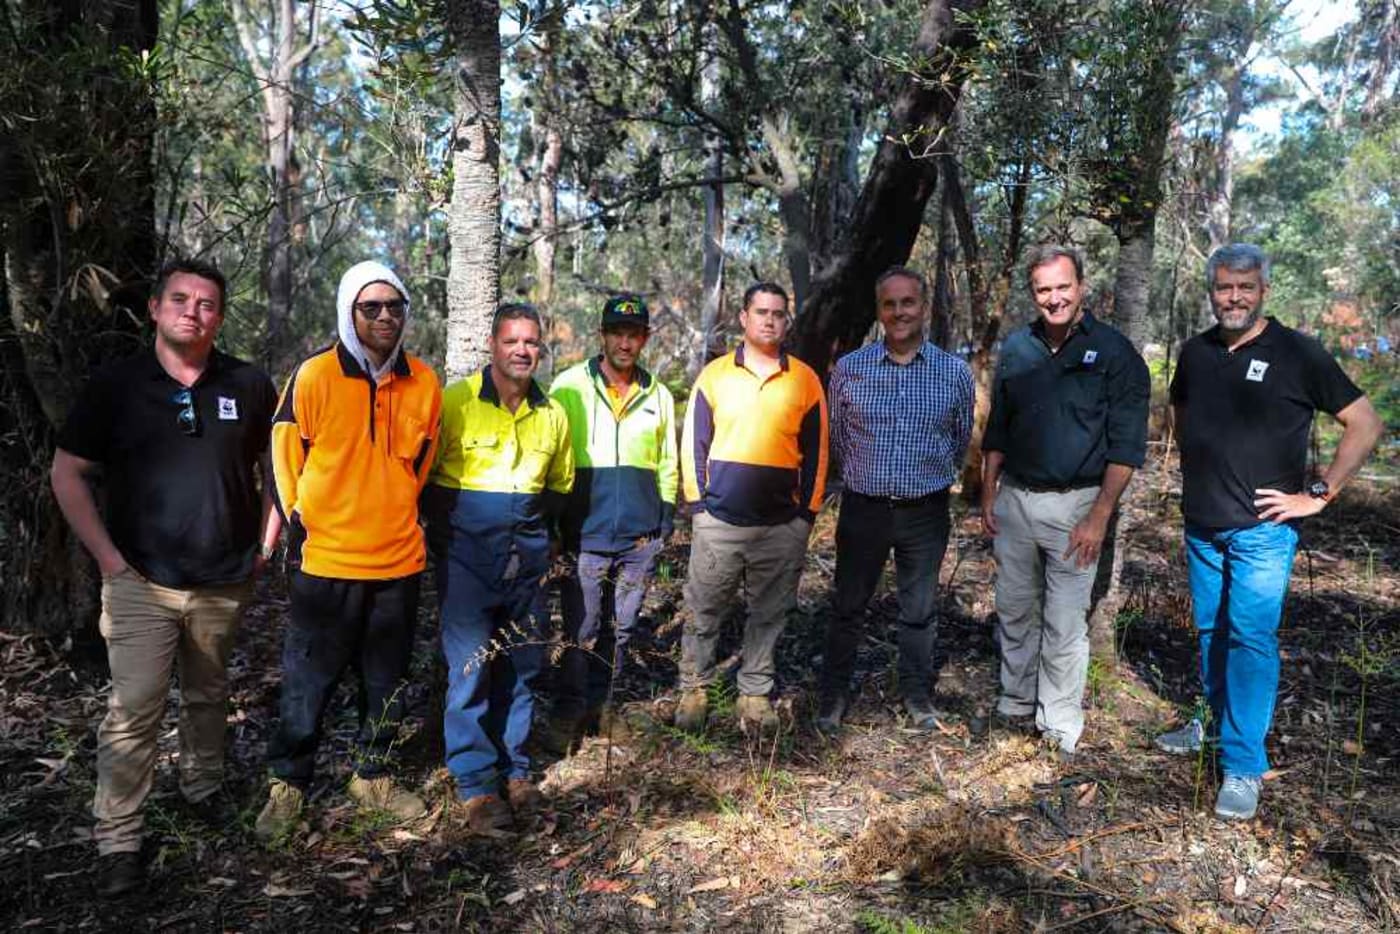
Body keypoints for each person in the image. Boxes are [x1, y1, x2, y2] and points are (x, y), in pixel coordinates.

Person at [51, 259, 280, 896]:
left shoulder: (250, 384)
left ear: (220, 317)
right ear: (154, 309)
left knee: (209, 696)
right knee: (133, 712)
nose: (192, 311)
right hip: (140, 581)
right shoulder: (117, 386)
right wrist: (109, 560)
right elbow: (67, 474)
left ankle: (202, 790)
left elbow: (278, 469)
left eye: (207, 304)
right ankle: (119, 836)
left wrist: (265, 544)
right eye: (179, 300)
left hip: (223, 578)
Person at [1157, 243, 1382, 820]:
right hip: (1203, 525)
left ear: (1263, 290)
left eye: (1245, 287)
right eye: (1224, 287)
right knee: (1210, 632)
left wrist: (1319, 495)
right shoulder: (1195, 352)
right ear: (1212, 291)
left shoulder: (1298, 352)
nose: (1234, 297)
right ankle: (1208, 726)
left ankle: (1243, 766)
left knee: (1251, 641)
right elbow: (1181, 415)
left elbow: (1364, 423)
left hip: (1263, 531)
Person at [256, 261, 442, 840]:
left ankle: (372, 776)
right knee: (307, 681)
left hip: (398, 562)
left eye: (395, 306)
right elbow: (285, 461)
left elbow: (422, 465)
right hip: (328, 563)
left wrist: (391, 514)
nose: (385, 316)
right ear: (348, 312)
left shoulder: (425, 383)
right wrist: (303, 525)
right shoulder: (312, 377)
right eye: (372, 307)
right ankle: (288, 785)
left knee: (385, 680)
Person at [980, 245, 1150, 758]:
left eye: (1062, 287)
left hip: (1077, 506)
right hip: (1016, 501)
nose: (1054, 299)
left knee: (1064, 622)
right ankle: (1014, 705)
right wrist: (989, 493)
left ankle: (1057, 725)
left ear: (1082, 288)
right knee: (1013, 611)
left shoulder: (1115, 354)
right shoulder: (1017, 350)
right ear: (1033, 295)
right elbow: (998, 430)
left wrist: (1099, 517)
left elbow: (1126, 448)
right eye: (1043, 290)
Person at [424, 303, 574, 833]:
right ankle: (476, 786)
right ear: (492, 344)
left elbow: (558, 488)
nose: (522, 350)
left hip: (527, 562)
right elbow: (426, 479)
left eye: (531, 342)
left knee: (523, 666)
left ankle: (517, 773)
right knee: (469, 672)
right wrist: (450, 544)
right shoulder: (455, 402)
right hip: (467, 561)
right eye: (512, 340)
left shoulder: (552, 414)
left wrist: (538, 546)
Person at [817, 266, 974, 734]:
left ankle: (917, 697)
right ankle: (834, 696)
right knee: (847, 605)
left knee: (919, 610)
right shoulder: (850, 369)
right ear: (879, 311)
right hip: (864, 508)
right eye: (890, 304)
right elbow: (839, 440)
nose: (899, 312)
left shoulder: (954, 372)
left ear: (923, 307)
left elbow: (960, 437)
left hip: (925, 511)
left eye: (908, 302)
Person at [676, 282, 828, 735]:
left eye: (778, 313)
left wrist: (806, 515)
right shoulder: (715, 375)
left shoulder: (804, 379)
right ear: (743, 317)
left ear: (786, 321)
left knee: (769, 614)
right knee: (704, 609)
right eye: (760, 312)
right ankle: (694, 688)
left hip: (781, 525)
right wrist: (699, 507)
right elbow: (693, 443)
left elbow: (818, 451)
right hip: (719, 521)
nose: (768, 320)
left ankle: (754, 693)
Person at [546, 295, 679, 748]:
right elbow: (552, 455)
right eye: (617, 333)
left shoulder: (658, 394)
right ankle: (568, 711)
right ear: (602, 335)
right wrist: (555, 526)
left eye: (634, 334)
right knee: (582, 625)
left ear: (645, 338)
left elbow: (667, 461)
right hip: (585, 532)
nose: (625, 342)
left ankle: (606, 706)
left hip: (639, 537)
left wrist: (665, 517)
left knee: (621, 628)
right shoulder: (567, 388)